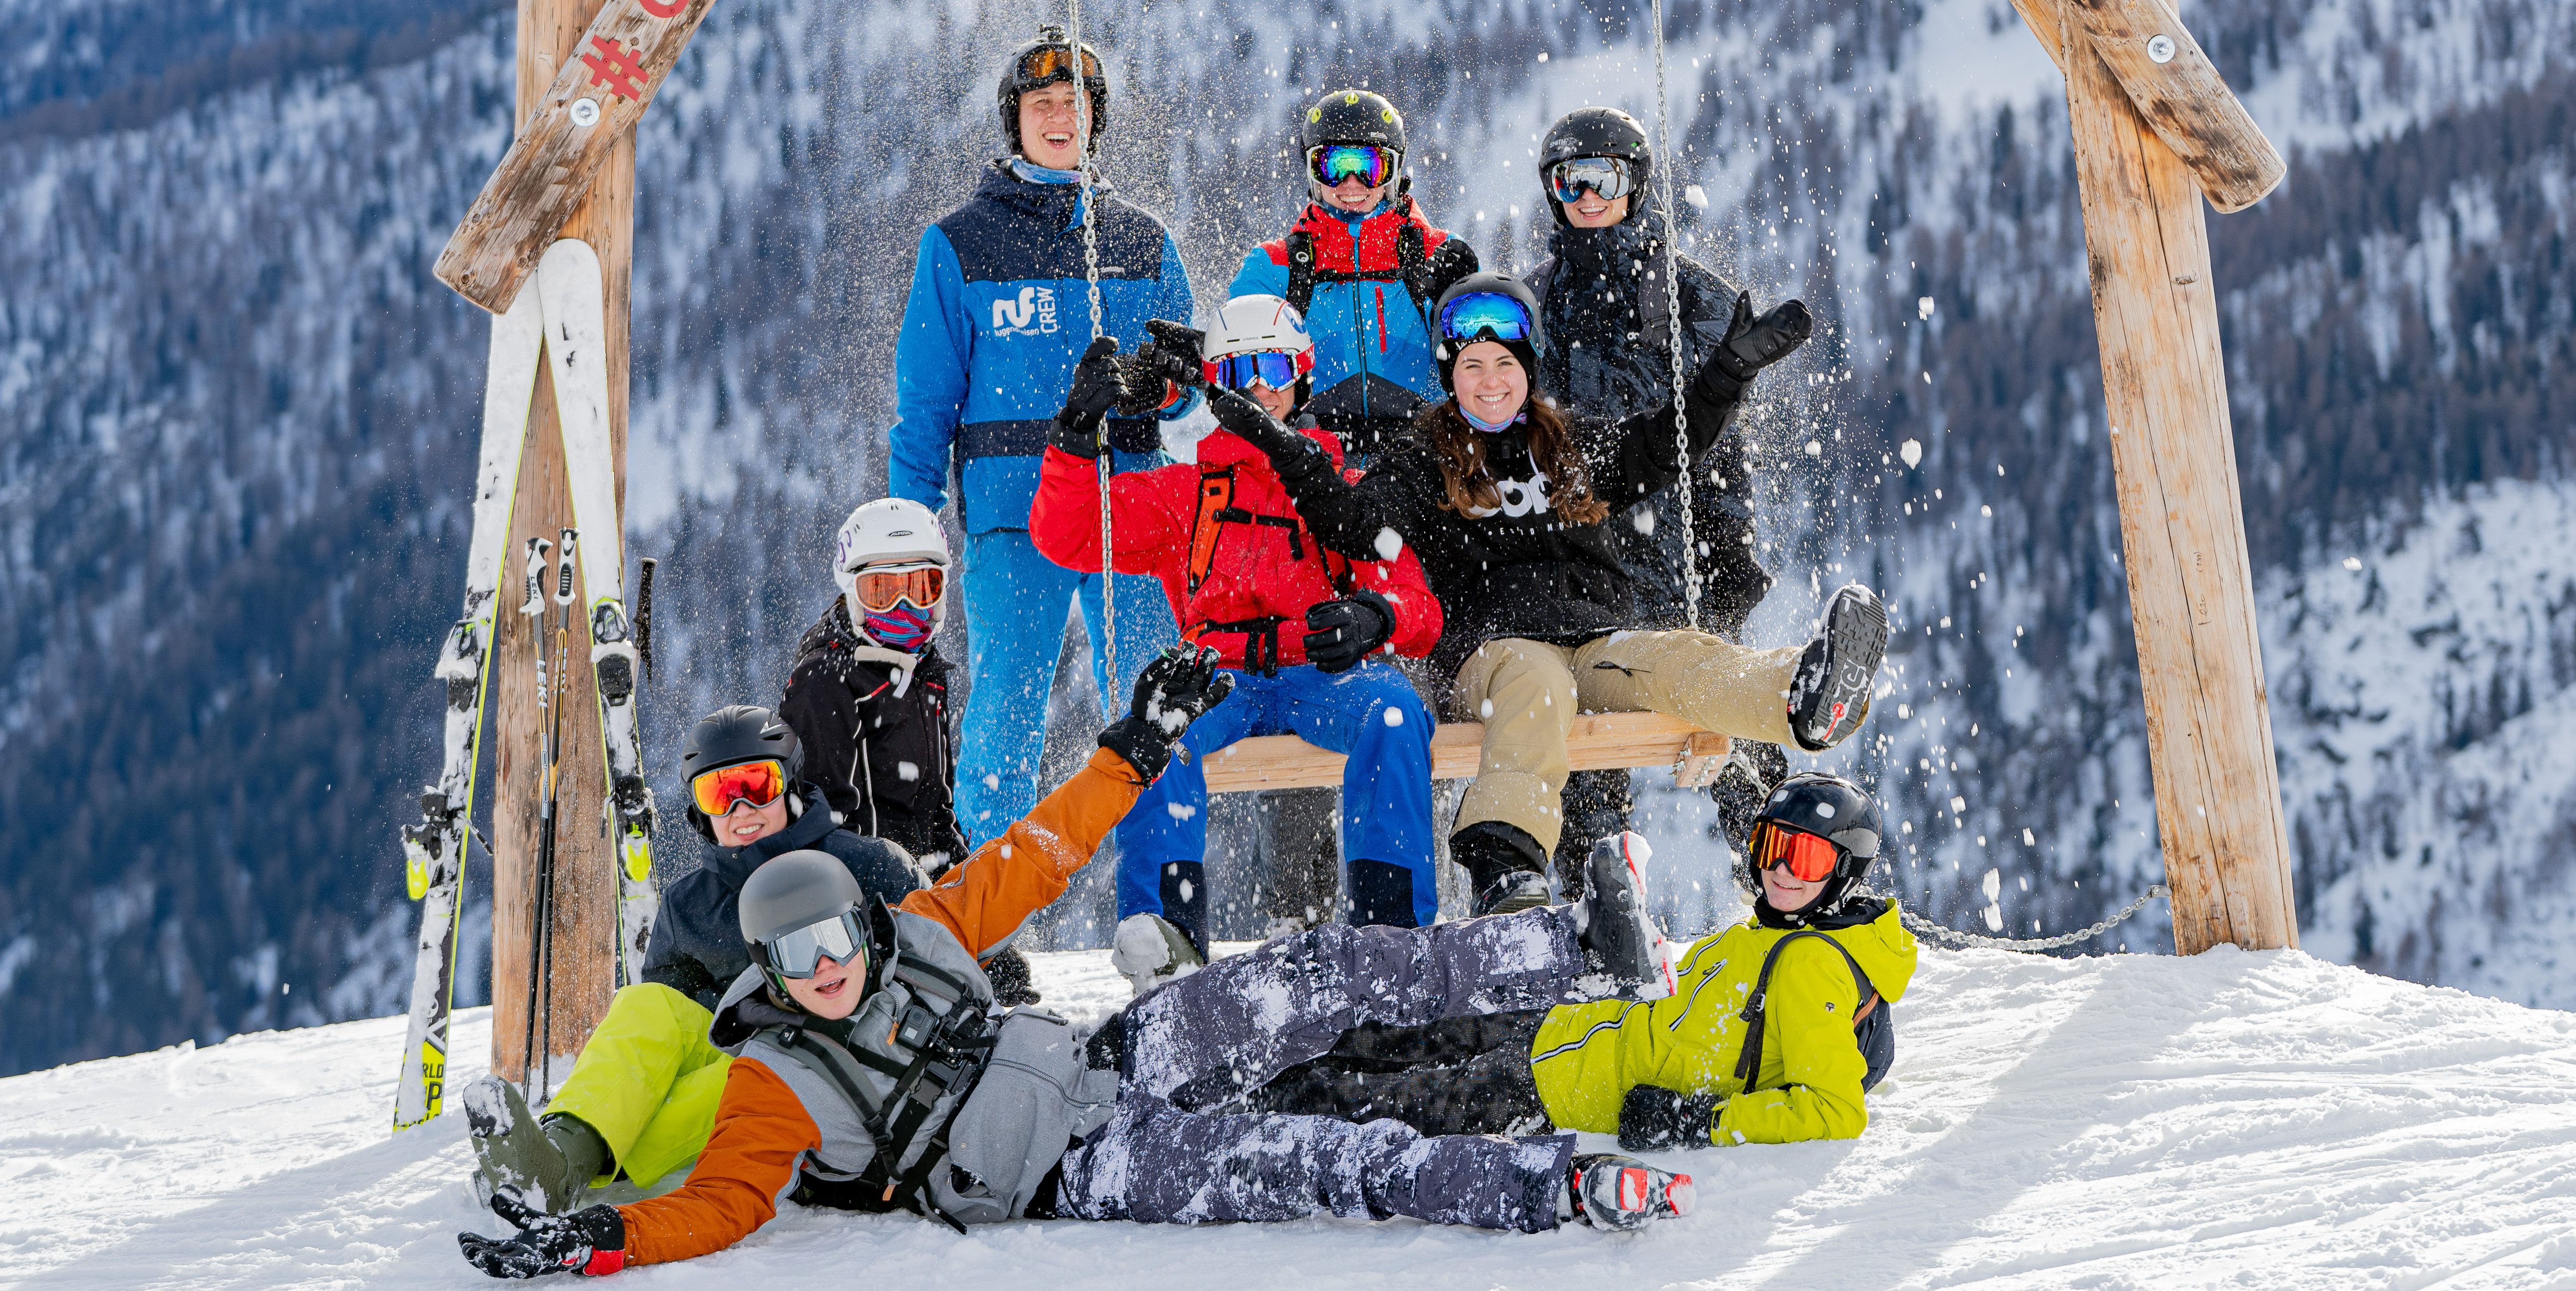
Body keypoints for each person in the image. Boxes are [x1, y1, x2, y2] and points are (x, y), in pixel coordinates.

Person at [455, 655, 1695, 1276]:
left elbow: (1041, 853)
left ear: (861, 920)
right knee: (1315, 1159)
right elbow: (718, 1203)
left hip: (1097, 1057)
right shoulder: (776, 1081)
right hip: (1072, 1164)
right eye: (797, 962)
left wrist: (1135, 745)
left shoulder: (923, 924)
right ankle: (1562, 1188)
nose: (827, 970)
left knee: (1312, 972)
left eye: (836, 937)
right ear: (767, 978)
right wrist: (598, 1235)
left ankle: (1575, 942)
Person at [1195, 270, 1891, 914]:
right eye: (1472, 367)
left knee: (1674, 659)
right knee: (1535, 684)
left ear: (1528, 370)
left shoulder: (1573, 445)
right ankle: (1507, 862)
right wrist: (1277, 440)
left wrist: (1727, 374)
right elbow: (1352, 526)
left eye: (1505, 364)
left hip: (1594, 643)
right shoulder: (1422, 460)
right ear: (1449, 376)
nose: (1490, 382)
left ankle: (1802, 693)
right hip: (1488, 656)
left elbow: (1668, 445)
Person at [1032, 297, 1444, 992]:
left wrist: (1377, 616)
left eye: (1276, 369)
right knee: (1158, 729)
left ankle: (1390, 928)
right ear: (1219, 386)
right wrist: (1076, 434)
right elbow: (1070, 534)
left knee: (1396, 716)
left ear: (1304, 379)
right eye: (1242, 371)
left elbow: (1419, 605)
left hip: (1324, 670)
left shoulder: (1337, 489)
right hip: (1219, 671)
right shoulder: (1188, 495)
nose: (1260, 388)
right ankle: (1166, 932)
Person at [888, 28, 1200, 845]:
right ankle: (986, 923)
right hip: (1014, 511)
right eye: (1041, 104)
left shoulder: (1143, 240)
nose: (1060, 117)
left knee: (1154, 709)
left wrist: (1164, 389)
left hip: (1130, 504)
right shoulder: (959, 243)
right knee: (1005, 717)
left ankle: (1158, 904)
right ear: (1014, 120)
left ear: (1098, 118)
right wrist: (910, 537)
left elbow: (1195, 405)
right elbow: (925, 406)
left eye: (1076, 103)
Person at [1254, 773, 1914, 1149]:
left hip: (1564, 1091)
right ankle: (1241, 1063)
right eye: (1772, 845)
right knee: (1386, 1038)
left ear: (1847, 871)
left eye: (1806, 858)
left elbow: (1834, 1109)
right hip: (1563, 1031)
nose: (1778, 870)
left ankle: (1222, 1109)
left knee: (1372, 1099)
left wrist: (1701, 1122)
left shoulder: (1813, 965)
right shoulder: (1772, 934)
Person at [461, 707, 928, 1214]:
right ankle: (554, 1158)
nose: (742, 807)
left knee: (743, 1072)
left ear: (790, 784)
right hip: (743, 1054)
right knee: (648, 1007)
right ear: (700, 811)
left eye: (757, 783)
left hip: (845, 1062)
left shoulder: (868, 866)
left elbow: (938, 949)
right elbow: (666, 1028)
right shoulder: (690, 904)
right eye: (719, 794)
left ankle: (564, 1171)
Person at [1527, 106, 1785, 888]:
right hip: (1582, 569)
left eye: (1605, 177)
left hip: (1677, 556)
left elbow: (1721, 449)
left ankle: (1790, 888)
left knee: (1731, 730)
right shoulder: (1536, 304)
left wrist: (1730, 563)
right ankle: (1598, 919)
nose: (1588, 195)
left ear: (1637, 184)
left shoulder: (1690, 299)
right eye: (1570, 180)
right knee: (1584, 760)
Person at [1227, 88, 1480, 458]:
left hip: (1423, 459)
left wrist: (1465, 296)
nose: (1351, 183)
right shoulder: (1277, 266)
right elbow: (1237, 367)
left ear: (1393, 172)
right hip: (1312, 464)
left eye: (1370, 167)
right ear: (1313, 174)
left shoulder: (1434, 255)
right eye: (1333, 167)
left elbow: (1488, 360)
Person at [778, 498, 968, 879]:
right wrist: (892, 891)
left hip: (921, 892)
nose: (904, 607)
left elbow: (938, 813)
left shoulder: (926, 672)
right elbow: (820, 826)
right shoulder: (826, 679)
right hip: (865, 899)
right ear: (852, 595)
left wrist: (964, 883)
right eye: (881, 592)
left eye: (921, 588)